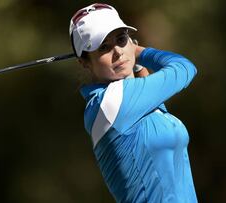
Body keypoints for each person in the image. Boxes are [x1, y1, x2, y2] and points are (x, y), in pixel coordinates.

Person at [69, 3, 198, 202]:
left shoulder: (131, 98)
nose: (118, 52)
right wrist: (140, 52)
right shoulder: (111, 102)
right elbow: (184, 68)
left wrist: (137, 64)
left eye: (121, 39)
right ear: (84, 62)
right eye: (104, 47)